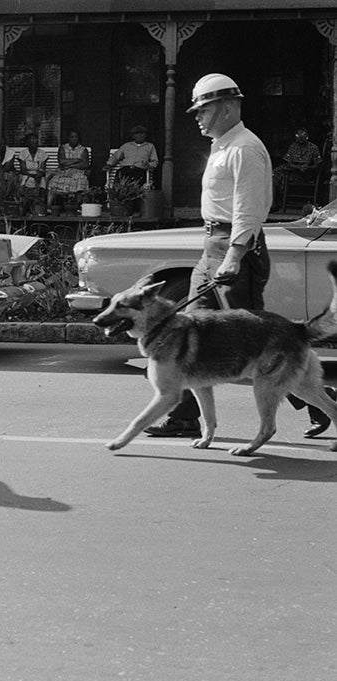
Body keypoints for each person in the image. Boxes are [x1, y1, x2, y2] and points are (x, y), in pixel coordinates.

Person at [145, 73, 272, 438]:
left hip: (235, 248)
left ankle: (316, 399)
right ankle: (183, 416)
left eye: (204, 109)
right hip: (212, 246)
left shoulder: (244, 148)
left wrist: (234, 256)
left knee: (254, 341)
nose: (198, 117)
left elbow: (248, 209)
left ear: (228, 108)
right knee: (187, 329)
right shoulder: (223, 144)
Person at [273, 127, 322, 204]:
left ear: (307, 137)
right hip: (293, 172)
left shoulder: (313, 148)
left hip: (306, 175)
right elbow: (288, 162)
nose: (300, 139)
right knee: (275, 174)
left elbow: (318, 165)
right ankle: (274, 203)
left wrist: (308, 168)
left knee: (280, 177)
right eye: (299, 137)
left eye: (303, 137)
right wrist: (298, 167)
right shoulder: (294, 146)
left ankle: (279, 202)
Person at [46, 129, 90, 208]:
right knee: (54, 180)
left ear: (78, 138)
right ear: (68, 138)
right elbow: (61, 161)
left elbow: (85, 164)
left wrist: (70, 165)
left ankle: (78, 207)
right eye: (72, 137)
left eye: (76, 137)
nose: (74, 139)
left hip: (78, 172)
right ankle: (48, 206)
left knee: (81, 179)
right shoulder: (63, 148)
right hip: (63, 171)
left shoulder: (83, 149)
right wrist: (77, 160)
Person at [6, 132, 49, 198]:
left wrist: (39, 174)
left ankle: (41, 202)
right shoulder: (23, 153)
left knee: (42, 182)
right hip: (26, 174)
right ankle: (24, 200)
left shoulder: (42, 153)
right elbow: (23, 170)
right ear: (27, 143)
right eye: (31, 140)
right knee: (25, 182)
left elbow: (42, 168)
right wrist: (33, 176)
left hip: (38, 175)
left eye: (35, 140)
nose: (34, 142)